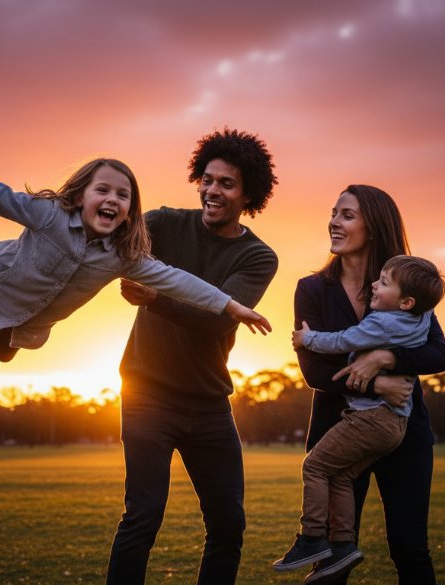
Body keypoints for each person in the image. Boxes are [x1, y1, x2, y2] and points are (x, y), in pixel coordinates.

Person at [0, 150, 271, 373]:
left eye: (123, 196)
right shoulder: (48, 216)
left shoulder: (124, 257)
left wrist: (231, 306)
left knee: (6, 352)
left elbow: (177, 280)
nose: (112, 200)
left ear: (130, 210)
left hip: (26, 318)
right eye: (103, 190)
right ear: (81, 195)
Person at [106, 128, 279, 585]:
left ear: (248, 195)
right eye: (207, 179)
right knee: (142, 518)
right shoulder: (163, 224)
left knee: (228, 526)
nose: (212, 190)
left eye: (226, 183)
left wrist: (154, 299)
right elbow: (102, 237)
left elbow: (217, 320)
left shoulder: (258, 257)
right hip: (146, 395)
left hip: (209, 405)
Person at [293, 185, 445, 585]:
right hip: (339, 428)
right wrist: (379, 386)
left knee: (409, 549)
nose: (334, 221)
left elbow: (439, 356)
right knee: (332, 559)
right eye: (333, 212)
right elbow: (313, 371)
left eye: (346, 215)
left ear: (375, 227)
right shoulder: (311, 289)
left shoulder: (408, 288)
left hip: (406, 432)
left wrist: (386, 357)